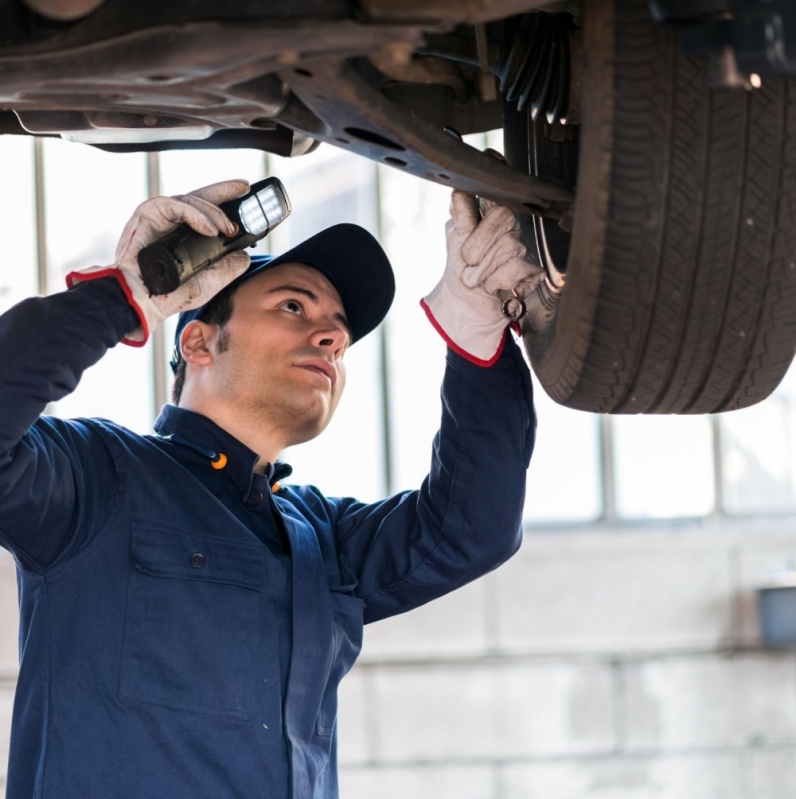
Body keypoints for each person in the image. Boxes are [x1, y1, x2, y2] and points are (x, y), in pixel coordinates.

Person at [0, 177, 541, 799]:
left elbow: (473, 529)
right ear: (198, 340)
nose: (333, 337)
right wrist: (124, 297)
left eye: (339, 330)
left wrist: (477, 340)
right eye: (293, 306)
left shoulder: (322, 538)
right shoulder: (97, 477)